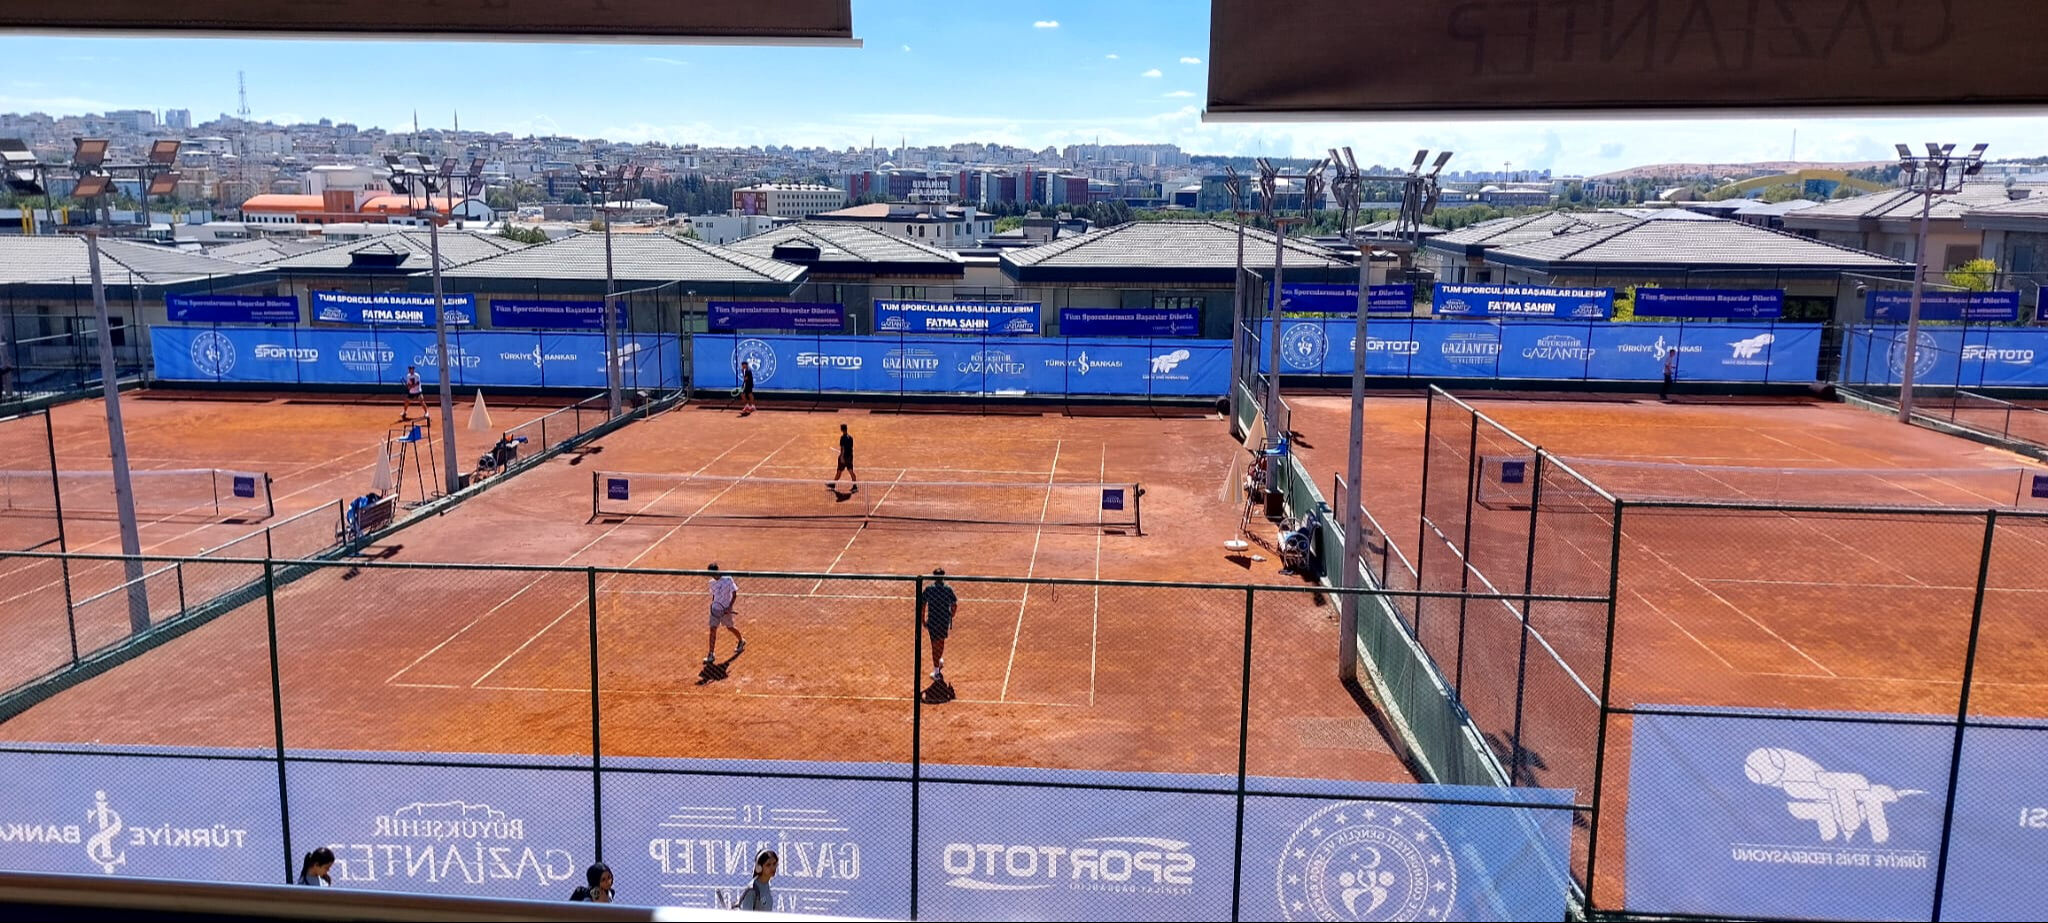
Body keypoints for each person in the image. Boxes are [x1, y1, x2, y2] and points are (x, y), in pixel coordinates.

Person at [920, 568, 957, 686]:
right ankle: (939, 661)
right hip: (944, 621)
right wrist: (951, 615)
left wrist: (922, 619)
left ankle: (936, 672)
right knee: (941, 642)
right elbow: (954, 605)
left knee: (934, 646)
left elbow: (922, 605)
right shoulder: (948, 589)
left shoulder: (929, 589)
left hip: (933, 621)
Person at [705, 563, 745, 664]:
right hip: (715, 609)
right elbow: (714, 595)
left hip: (726, 609)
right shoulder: (711, 582)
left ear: (717, 570)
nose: (712, 576)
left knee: (730, 627)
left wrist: (729, 607)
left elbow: (734, 594)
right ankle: (711, 654)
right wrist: (713, 605)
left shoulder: (728, 579)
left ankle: (741, 641)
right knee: (712, 630)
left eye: (713, 573)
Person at [829, 423, 859, 492]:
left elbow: (842, 449)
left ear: (841, 430)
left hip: (844, 457)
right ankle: (855, 486)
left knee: (839, 471)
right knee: (851, 471)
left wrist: (842, 457)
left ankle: (833, 484)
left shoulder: (842, 438)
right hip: (850, 457)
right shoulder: (851, 438)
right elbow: (851, 448)